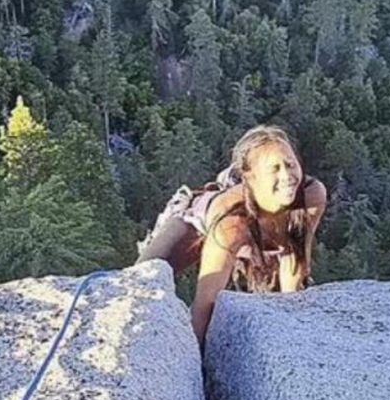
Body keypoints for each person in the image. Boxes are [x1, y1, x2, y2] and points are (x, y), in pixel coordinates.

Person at [135, 125, 328, 348]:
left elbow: (294, 257)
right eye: (274, 169)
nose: (287, 176)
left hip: (262, 235)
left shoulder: (311, 195)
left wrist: (291, 325)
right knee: (139, 281)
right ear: (249, 177)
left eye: (290, 164)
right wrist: (199, 363)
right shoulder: (230, 222)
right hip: (197, 223)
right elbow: (205, 303)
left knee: (281, 304)